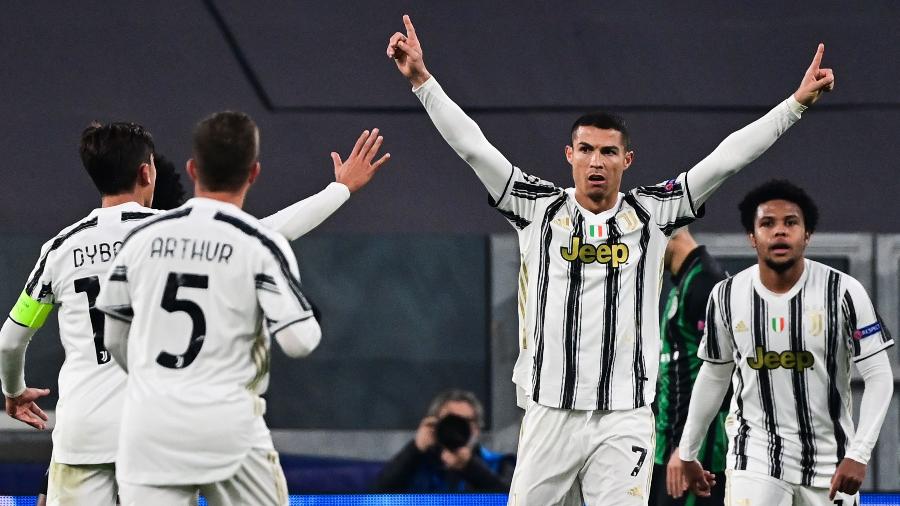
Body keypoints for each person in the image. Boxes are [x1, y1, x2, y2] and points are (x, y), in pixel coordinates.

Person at [386, 15, 834, 505]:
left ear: (627, 160)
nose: (596, 161)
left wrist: (794, 106)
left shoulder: (654, 212)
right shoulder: (536, 208)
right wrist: (422, 82)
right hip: (550, 411)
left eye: (608, 151)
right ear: (569, 155)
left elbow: (726, 159)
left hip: (625, 417)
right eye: (586, 150)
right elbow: (473, 147)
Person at [0, 121, 389, 505]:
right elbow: (266, 233)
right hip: (159, 429)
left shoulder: (61, 249)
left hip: (83, 431)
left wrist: (14, 391)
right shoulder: (172, 236)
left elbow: (11, 340)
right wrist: (339, 190)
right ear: (146, 170)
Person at [679, 180, 894, 505]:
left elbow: (879, 375)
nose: (779, 232)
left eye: (790, 223)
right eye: (767, 223)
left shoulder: (844, 292)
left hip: (830, 462)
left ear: (807, 234)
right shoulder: (726, 296)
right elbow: (714, 376)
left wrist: (859, 452)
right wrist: (688, 450)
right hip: (755, 459)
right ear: (752, 236)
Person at [651, 228, 728, 505]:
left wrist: (686, 447)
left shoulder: (706, 283)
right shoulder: (682, 283)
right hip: (669, 446)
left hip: (695, 451)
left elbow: (721, 374)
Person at [374, 389, 515, 492]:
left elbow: (512, 499)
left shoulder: (500, 464)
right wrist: (415, 449)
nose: (456, 429)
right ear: (435, 424)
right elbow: (375, 495)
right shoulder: (416, 464)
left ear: (477, 429)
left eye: (465, 422)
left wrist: (469, 466)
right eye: (450, 421)